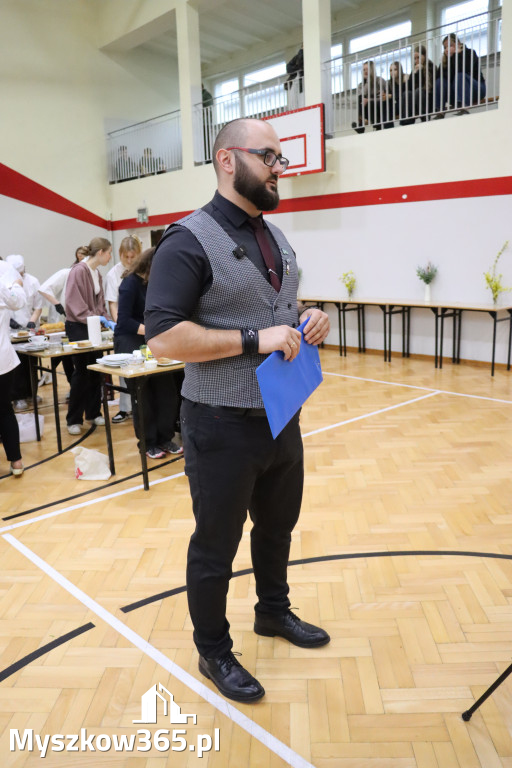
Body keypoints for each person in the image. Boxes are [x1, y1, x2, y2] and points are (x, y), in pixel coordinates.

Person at [145, 117, 331, 704]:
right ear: (229, 160)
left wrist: (309, 319)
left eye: (280, 158)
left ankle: (273, 613)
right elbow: (163, 339)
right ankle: (214, 650)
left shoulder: (275, 237)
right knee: (215, 546)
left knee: (277, 530)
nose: (281, 168)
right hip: (219, 425)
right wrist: (256, 338)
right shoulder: (186, 240)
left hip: (280, 416)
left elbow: (281, 309)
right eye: (270, 157)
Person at [115, 247, 183, 459]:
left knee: (167, 393)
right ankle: (148, 443)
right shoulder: (130, 284)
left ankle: (165, 437)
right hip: (130, 342)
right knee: (144, 397)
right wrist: (154, 330)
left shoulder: (155, 283)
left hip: (152, 342)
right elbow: (124, 320)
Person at [64, 237, 112, 435]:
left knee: (95, 371)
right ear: (100, 252)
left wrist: (106, 318)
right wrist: (97, 318)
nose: (110, 257)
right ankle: (73, 419)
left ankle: (93, 412)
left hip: (91, 325)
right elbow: (74, 304)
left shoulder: (96, 273)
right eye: (109, 253)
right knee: (81, 373)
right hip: (78, 327)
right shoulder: (78, 270)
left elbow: (99, 304)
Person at [105, 235, 142, 424]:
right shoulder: (114, 274)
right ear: (120, 255)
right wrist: (121, 323)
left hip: (140, 326)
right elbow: (113, 304)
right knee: (124, 372)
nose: (129, 260)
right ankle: (125, 408)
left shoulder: (142, 271)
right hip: (125, 328)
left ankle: (140, 407)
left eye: (132, 256)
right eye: (126, 257)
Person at [6, 254, 44, 412]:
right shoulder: (5, 282)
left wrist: (31, 322)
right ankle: (17, 397)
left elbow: (38, 306)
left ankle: (31, 393)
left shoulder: (33, 282)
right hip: (10, 331)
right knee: (16, 366)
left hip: (29, 330)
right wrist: (9, 321)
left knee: (31, 363)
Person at [0, 259, 26, 476]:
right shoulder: (3, 274)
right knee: (4, 409)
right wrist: (17, 284)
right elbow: (17, 302)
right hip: (2, 359)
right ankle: (16, 461)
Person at [433, 34, 486, 118]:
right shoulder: (445, 61)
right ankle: (440, 111)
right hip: (456, 92)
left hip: (476, 88)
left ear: (458, 44)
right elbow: (440, 79)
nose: (447, 49)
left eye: (450, 46)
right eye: (445, 47)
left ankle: (464, 108)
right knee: (440, 81)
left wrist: (458, 55)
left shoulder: (470, 53)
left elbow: (466, 71)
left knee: (460, 76)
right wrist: (451, 59)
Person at [400, 45, 436, 125]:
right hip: (415, 99)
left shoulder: (431, 66)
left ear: (424, 56)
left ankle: (424, 119)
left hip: (428, 97)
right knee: (407, 94)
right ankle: (406, 122)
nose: (416, 60)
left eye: (418, 57)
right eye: (415, 58)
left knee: (418, 91)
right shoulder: (414, 70)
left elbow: (429, 86)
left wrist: (422, 70)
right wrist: (414, 74)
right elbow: (408, 88)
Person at [352, 60, 387, 133]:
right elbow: (362, 96)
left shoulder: (379, 80)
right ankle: (361, 124)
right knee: (360, 99)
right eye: (363, 70)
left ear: (372, 70)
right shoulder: (361, 85)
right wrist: (367, 82)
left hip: (379, 106)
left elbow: (382, 98)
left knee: (370, 103)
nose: (365, 71)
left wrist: (369, 100)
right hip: (368, 110)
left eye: (367, 69)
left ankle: (377, 126)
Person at [381, 61, 408, 129]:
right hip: (397, 106)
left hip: (405, 105)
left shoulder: (405, 78)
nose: (392, 72)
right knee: (385, 102)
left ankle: (404, 123)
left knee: (405, 96)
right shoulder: (390, 83)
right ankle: (387, 127)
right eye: (390, 70)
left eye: (395, 69)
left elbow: (404, 94)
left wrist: (390, 96)